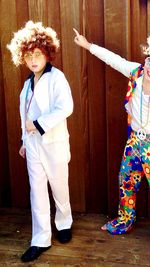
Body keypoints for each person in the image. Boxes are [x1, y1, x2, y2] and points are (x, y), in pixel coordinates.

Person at [73, 28, 150, 258]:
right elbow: (114, 60)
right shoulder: (137, 72)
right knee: (126, 181)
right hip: (134, 141)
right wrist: (88, 45)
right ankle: (124, 220)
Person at [7, 21, 74, 262]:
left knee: (59, 186)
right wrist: (25, 140)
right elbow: (24, 114)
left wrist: (37, 124)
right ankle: (40, 239)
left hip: (53, 143)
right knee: (37, 192)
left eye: (37, 54)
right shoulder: (26, 85)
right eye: (28, 55)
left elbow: (66, 107)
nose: (33, 60)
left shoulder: (57, 78)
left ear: (47, 53)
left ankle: (64, 224)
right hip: (33, 145)